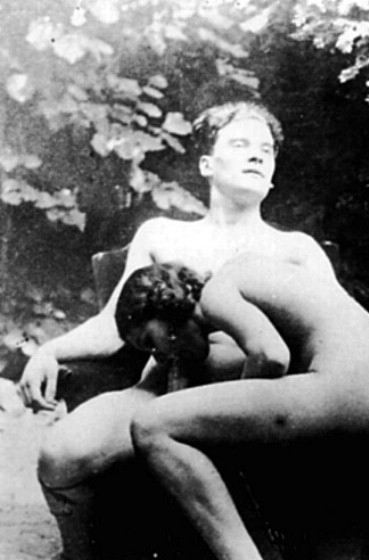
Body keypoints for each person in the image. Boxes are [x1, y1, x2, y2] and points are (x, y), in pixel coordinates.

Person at [17, 100, 336, 559]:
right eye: (240, 144)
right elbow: (113, 325)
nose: (256, 155)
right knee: (63, 453)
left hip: (262, 402)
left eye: (266, 150)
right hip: (162, 389)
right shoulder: (163, 234)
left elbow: (332, 340)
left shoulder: (296, 249)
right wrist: (48, 351)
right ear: (207, 164)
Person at [113, 255, 369, 560]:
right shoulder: (252, 271)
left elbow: (270, 355)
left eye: (150, 340)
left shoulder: (215, 292)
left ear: (165, 302)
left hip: (362, 392)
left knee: (151, 425)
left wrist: (232, 428)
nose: (160, 357)